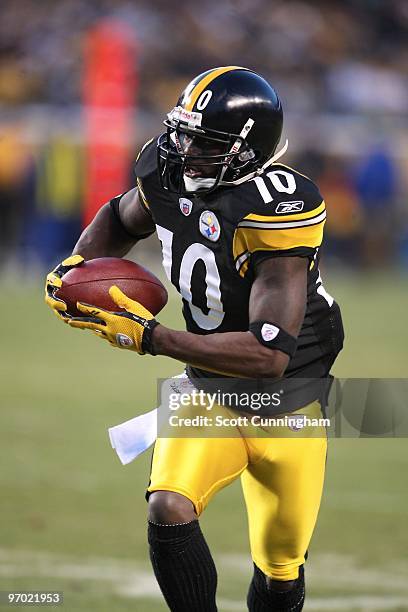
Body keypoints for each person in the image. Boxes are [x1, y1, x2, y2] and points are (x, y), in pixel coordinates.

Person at [45, 66, 344, 611]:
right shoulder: (167, 169)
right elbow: (122, 217)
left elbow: (268, 355)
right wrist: (75, 268)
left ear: (249, 151)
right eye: (183, 134)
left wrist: (152, 337)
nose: (183, 152)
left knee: (280, 571)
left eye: (204, 143)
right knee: (168, 505)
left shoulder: (276, 207)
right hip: (208, 394)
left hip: (290, 404)